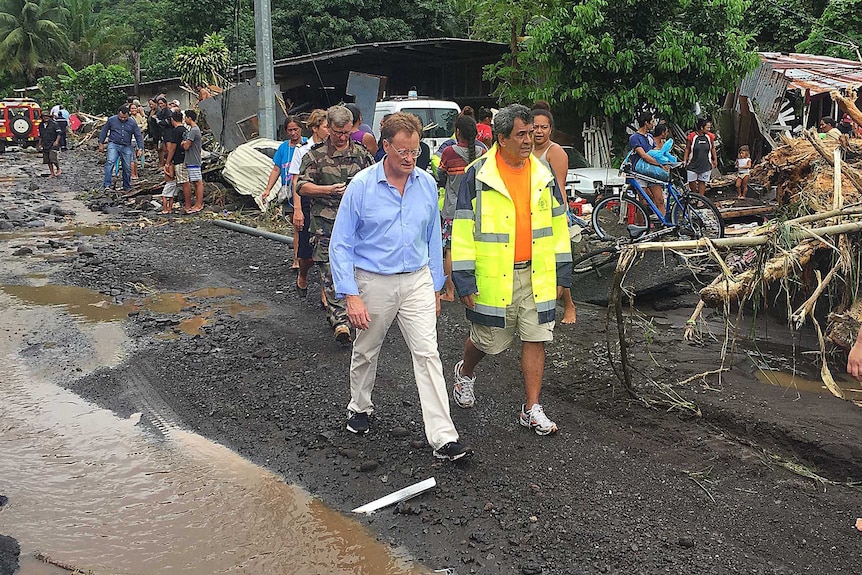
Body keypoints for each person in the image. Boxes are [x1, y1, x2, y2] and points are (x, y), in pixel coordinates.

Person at [329, 112, 472, 461]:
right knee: (367, 348)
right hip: (373, 280)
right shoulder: (362, 187)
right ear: (385, 147)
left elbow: (432, 239)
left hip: (417, 280)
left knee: (427, 354)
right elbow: (341, 244)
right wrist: (351, 295)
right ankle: (359, 406)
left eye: (415, 150)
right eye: (402, 151)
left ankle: (443, 436)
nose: (409, 158)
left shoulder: (425, 184)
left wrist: (437, 287)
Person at [450, 104, 572, 435]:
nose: (529, 140)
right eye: (521, 134)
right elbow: (462, 231)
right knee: (487, 340)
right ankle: (465, 371)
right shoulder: (478, 175)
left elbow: (558, 227)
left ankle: (531, 408)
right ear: (501, 138)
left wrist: (563, 274)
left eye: (531, 133)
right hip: (493, 275)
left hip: (538, 273)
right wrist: (463, 279)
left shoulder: (543, 175)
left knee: (536, 337)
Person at [296, 105, 374, 343]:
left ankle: (359, 317)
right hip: (326, 225)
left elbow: (375, 181)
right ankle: (340, 321)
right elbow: (301, 186)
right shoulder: (314, 155)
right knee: (330, 272)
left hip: (357, 226)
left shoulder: (361, 154)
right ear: (328, 128)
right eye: (338, 132)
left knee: (360, 271)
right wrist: (327, 189)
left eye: (346, 132)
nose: (342, 137)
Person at [532, 105, 577, 325]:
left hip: (552, 213)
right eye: (535, 127)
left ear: (551, 129)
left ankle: (569, 306)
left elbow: (559, 186)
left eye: (544, 127)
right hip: (529, 213)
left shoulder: (555, 152)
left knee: (558, 262)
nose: (539, 131)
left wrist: (561, 215)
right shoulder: (525, 149)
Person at [438, 114, 485, 302]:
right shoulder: (484, 152)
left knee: (450, 250)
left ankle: (450, 292)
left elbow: (441, 175)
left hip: (453, 209)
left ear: (457, 132)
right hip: (477, 209)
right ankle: (476, 288)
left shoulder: (449, 152)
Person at [288, 109, 329, 300]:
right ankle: (302, 274)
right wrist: (297, 210)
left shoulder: (334, 150)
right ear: (315, 128)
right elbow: (296, 182)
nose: (330, 131)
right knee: (306, 254)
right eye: (326, 127)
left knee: (327, 251)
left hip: (328, 201)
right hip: (307, 201)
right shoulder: (303, 150)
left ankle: (325, 292)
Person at [262, 115, 307, 267]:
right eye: (290, 130)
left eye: (296, 129)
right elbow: (276, 168)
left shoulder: (307, 144)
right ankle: (296, 259)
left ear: (301, 129)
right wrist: (268, 189)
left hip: (305, 190)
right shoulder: (283, 148)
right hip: (289, 192)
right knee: (297, 227)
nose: (293, 133)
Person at [98, 104, 143, 192]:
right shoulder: (111, 120)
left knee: (127, 166)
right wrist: (101, 143)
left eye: (125, 118)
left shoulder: (132, 122)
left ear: (128, 115)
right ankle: (107, 184)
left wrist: (140, 148)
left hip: (126, 146)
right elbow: (104, 131)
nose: (123, 119)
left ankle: (126, 185)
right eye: (121, 117)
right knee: (110, 162)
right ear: (118, 114)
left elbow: (138, 135)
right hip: (113, 144)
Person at [628, 112, 666, 216]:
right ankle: (642, 227)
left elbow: (655, 152)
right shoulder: (634, 138)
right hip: (639, 173)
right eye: (652, 121)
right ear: (646, 123)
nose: (653, 124)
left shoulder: (649, 137)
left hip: (651, 172)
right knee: (642, 203)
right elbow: (643, 155)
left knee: (660, 200)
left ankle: (664, 224)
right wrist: (659, 164)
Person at [160, 110, 186, 214]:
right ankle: (169, 208)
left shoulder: (176, 131)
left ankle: (166, 209)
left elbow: (173, 148)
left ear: (172, 119)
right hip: (184, 158)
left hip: (179, 159)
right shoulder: (185, 130)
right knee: (172, 195)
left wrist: (167, 162)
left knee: (166, 194)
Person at [683, 118, 717, 196]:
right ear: (701, 128)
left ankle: (701, 198)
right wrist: (684, 160)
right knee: (691, 181)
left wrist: (715, 159)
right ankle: (695, 195)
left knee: (702, 181)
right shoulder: (692, 136)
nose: (709, 129)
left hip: (705, 163)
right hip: (693, 163)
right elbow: (687, 148)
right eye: (707, 127)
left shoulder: (710, 137)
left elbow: (712, 148)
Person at [181, 109, 204, 214]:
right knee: (195, 182)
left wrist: (183, 143)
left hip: (193, 159)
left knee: (197, 182)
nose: (184, 119)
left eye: (185, 117)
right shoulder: (193, 129)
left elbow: (186, 146)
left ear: (189, 118)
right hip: (192, 159)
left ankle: (199, 204)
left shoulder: (194, 130)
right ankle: (198, 204)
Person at [38, 111, 61, 177]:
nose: (46, 118)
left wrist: (56, 141)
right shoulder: (41, 125)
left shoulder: (54, 124)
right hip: (45, 143)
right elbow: (40, 135)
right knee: (47, 160)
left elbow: (59, 133)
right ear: (42, 117)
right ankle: (52, 173)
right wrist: (39, 144)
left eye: (47, 116)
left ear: (49, 117)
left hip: (52, 143)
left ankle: (58, 169)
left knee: (52, 158)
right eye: (44, 116)